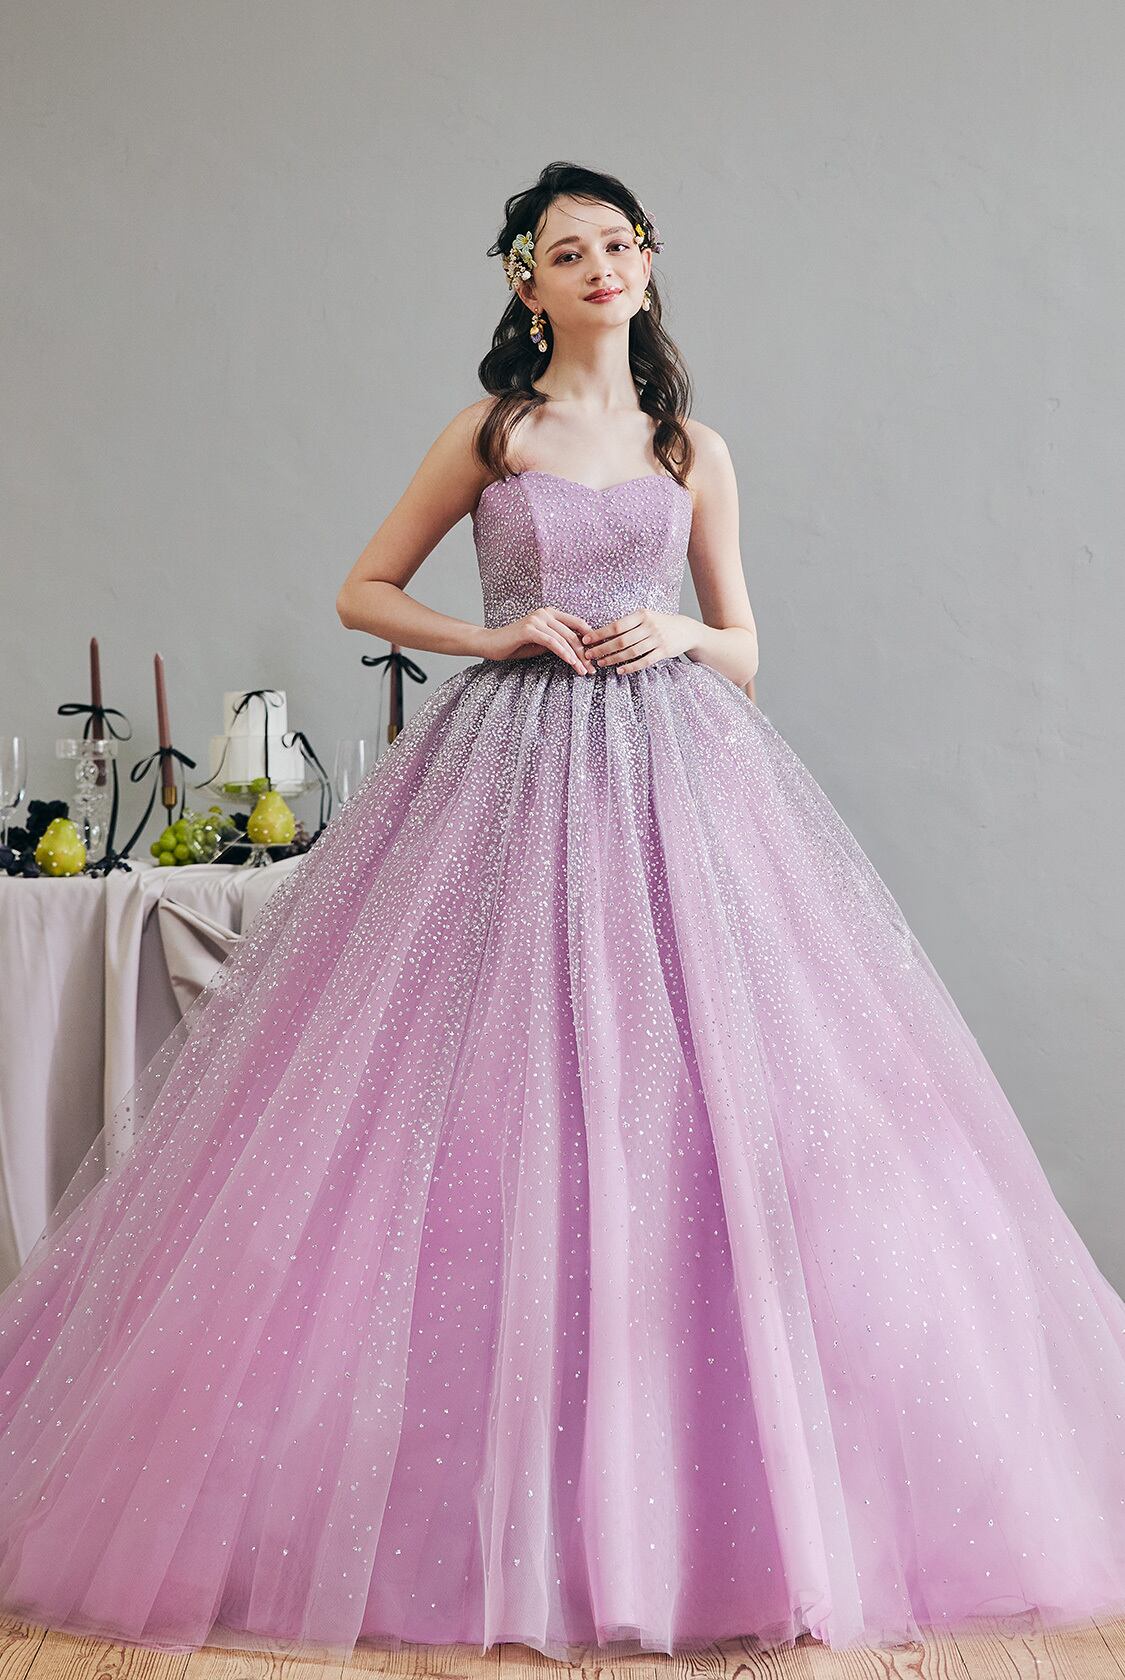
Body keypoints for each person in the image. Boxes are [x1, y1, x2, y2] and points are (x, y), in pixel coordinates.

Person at [1, 159, 1123, 1666]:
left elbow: (746, 647)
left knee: (698, 1099)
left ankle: (701, 1513)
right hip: (505, 770)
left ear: (646, 267)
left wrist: (679, 631)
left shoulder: (691, 448)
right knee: (475, 1100)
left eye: (618, 243)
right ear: (525, 286)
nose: (599, 265)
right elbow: (361, 590)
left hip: (681, 782)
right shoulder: (493, 433)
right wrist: (497, 633)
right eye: (566, 249)